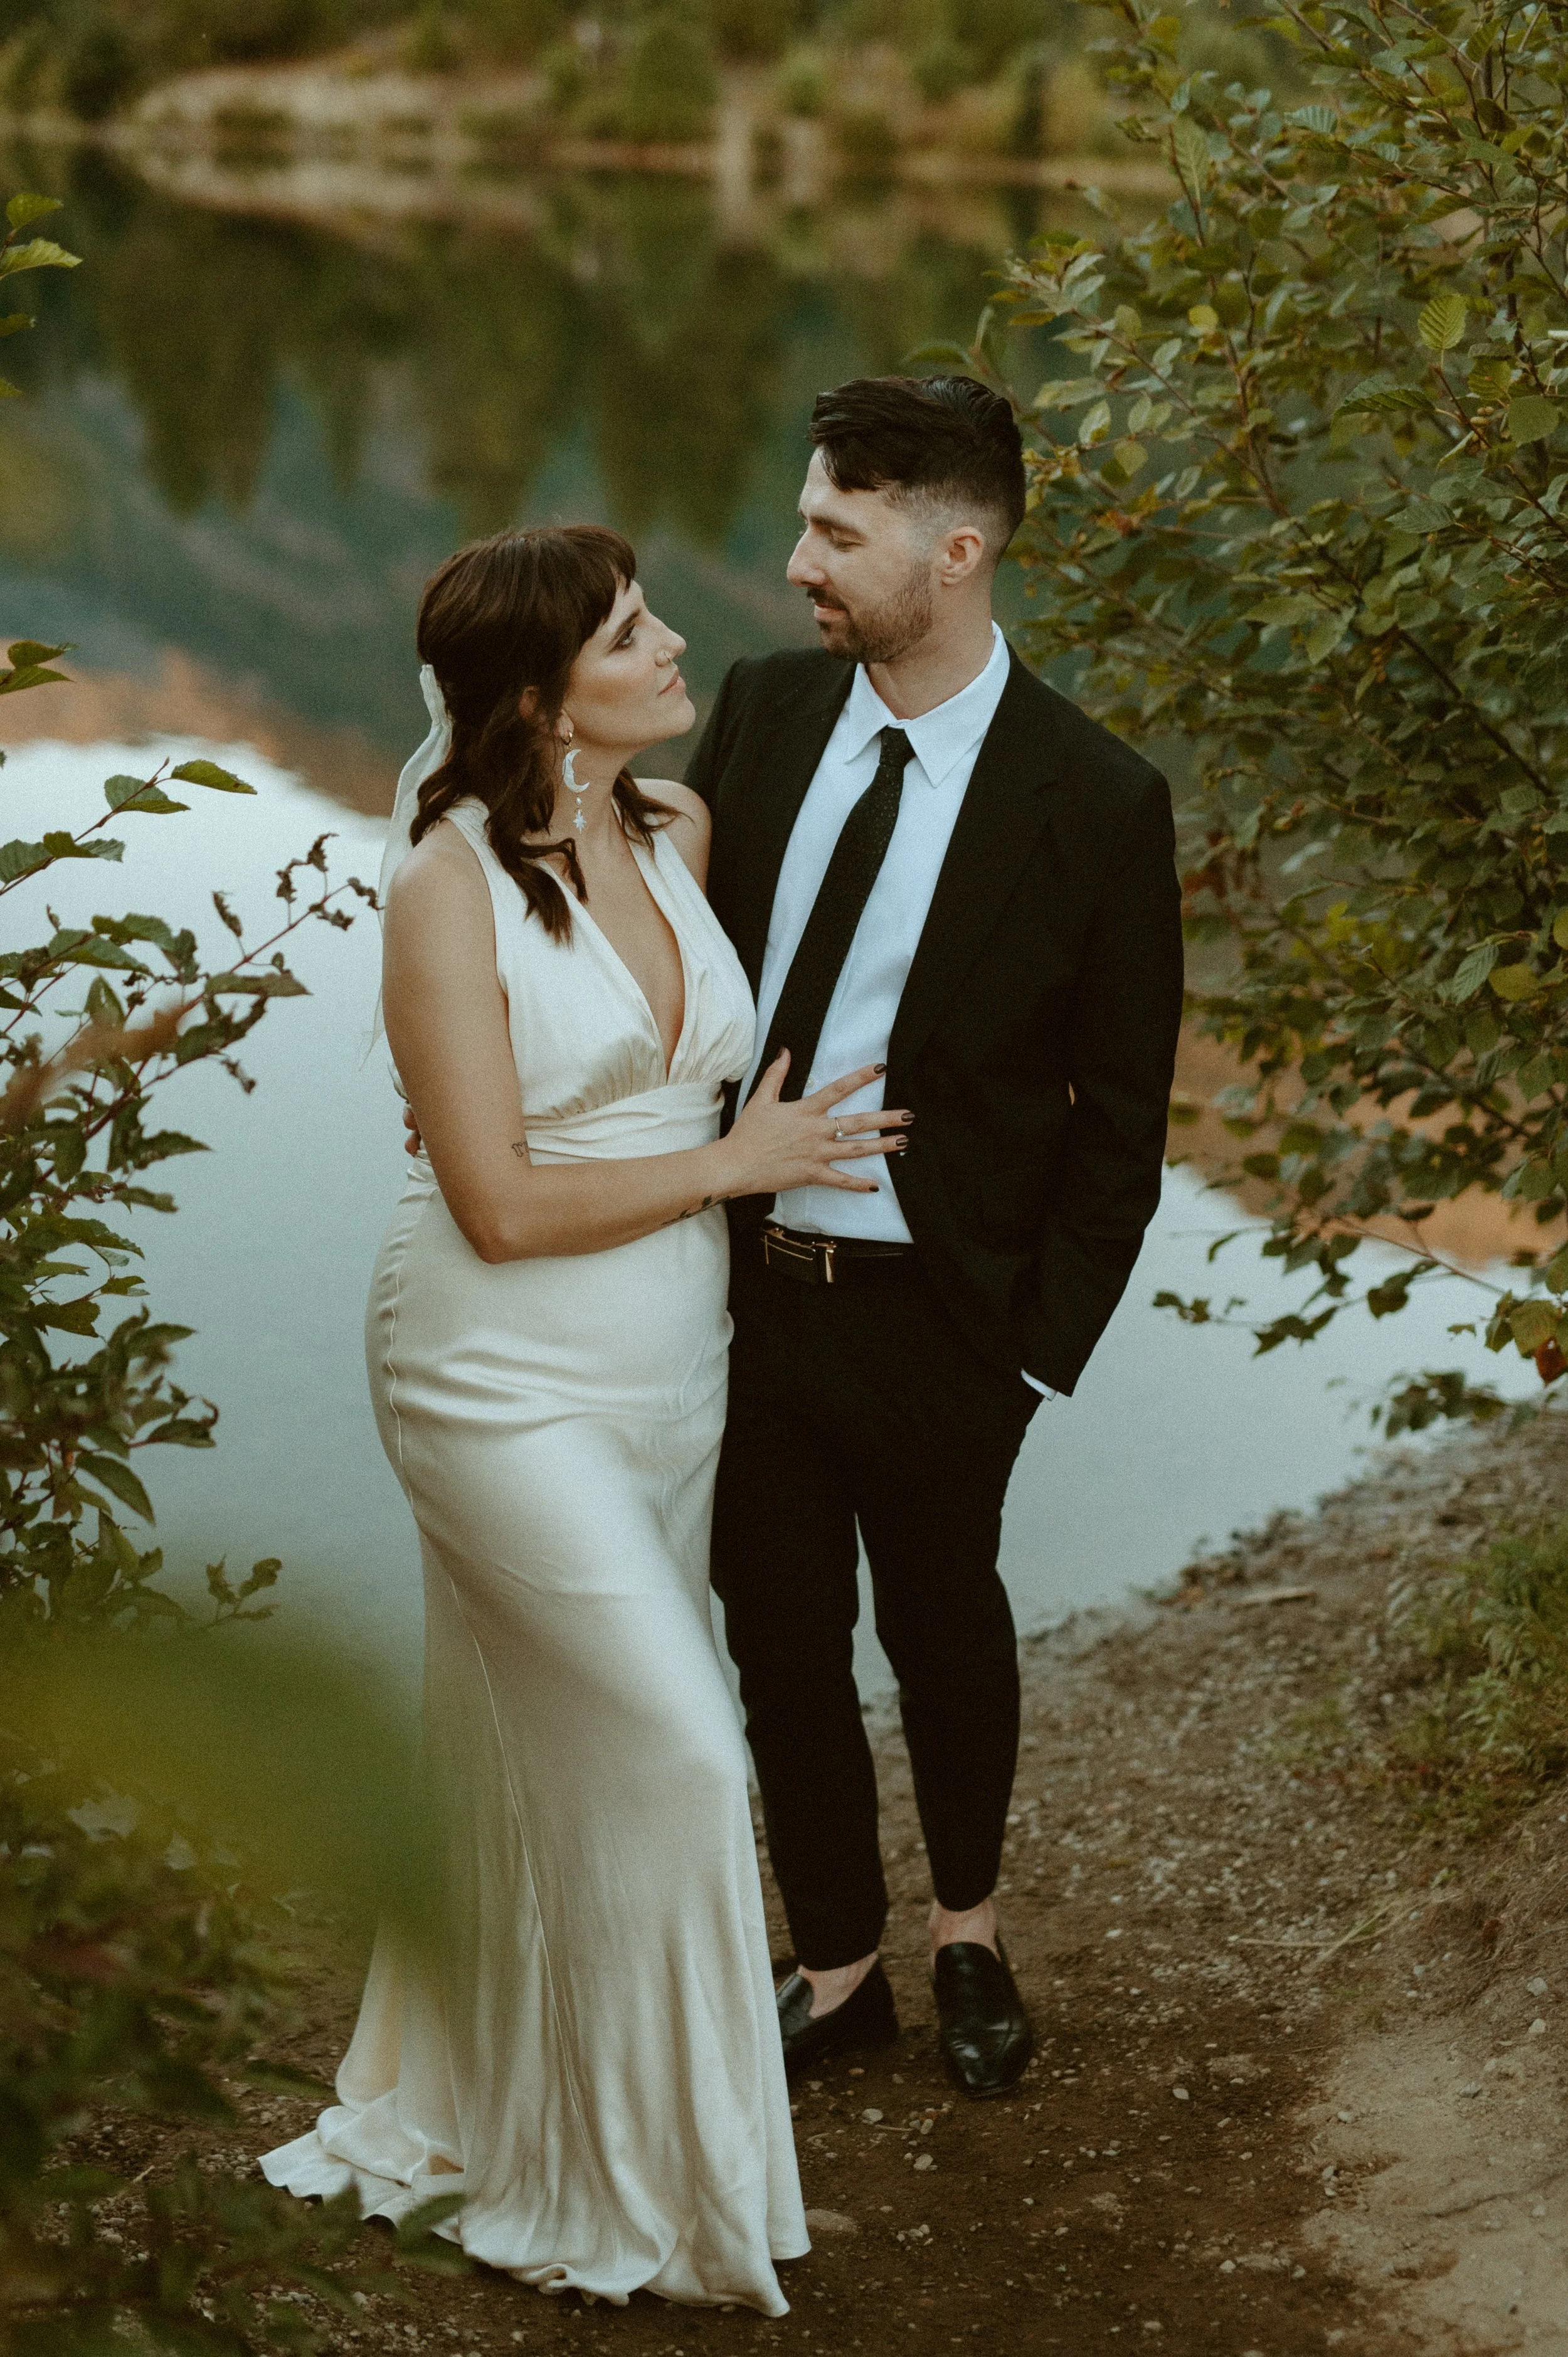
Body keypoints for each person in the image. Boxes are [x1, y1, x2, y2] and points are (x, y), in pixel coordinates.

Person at [260, 525, 911, 2313]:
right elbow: (496, 1201)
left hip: (665, 1368)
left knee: (531, 1741)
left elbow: (708, 1065)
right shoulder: (442, 889)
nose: (677, 640)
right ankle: (661, 2191)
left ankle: (508, 2105)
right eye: (634, 631)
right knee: (687, 1750)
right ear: (542, 692)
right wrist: (741, 1160)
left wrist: (795, 1139)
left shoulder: (672, 833)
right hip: (491, 1367)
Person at [686, 375, 1184, 2099]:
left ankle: (965, 1932)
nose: (797, 558)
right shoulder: (754, 715)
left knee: (945, 1626)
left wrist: (1033, 1347)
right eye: (808, 516)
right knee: (776, 1638)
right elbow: (659, 974)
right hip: (741, 1289)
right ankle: (839, 1970)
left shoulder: (1097, 802)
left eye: (836, 530)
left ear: (954, 549)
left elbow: (1120, 1123)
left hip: (942, 1313)